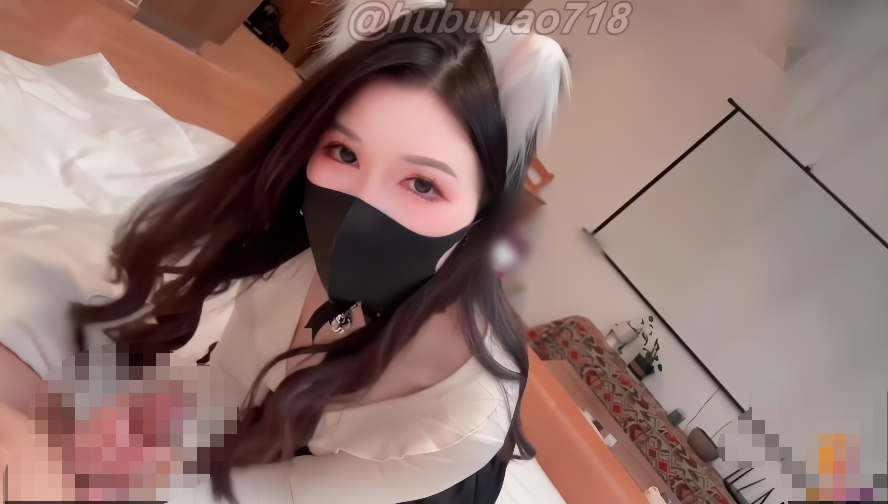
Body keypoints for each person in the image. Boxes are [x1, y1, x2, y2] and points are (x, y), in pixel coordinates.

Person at [0, 2, 570, 502]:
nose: (361, 206)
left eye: (423, 184)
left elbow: (289, 493)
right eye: (344, 152)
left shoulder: (462, 409)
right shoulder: (296, 255)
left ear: (482, 210)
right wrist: (72, 434)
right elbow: (226, 387)